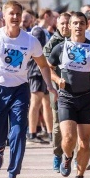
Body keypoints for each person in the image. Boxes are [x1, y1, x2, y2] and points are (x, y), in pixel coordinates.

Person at [0, 0, 57, 178]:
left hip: (20, 89)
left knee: (19, 132)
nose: (15, 17)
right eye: (11, 13)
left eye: (18, 13)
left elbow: (43, 65)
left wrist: (50, 86)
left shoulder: (30, 41)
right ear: (4, 16)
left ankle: (12, 177)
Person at [48, 11, 90, 178]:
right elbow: (48, 68)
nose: (78, 26)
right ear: (70, 26)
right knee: (68, 137)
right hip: (66, 98)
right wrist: (57, 80)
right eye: (75, 23)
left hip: (87, 99)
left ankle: (80, 176)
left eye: (81, 23)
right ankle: (67, 157)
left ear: (86, 25)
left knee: (84, 142)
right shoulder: (61, 47)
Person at [43, 12, 71, 172]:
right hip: (58, 89)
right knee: (58, 126)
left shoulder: (77, 40)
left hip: (77, 90)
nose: (65, 26)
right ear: (57, 25)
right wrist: (53, 84)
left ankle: (73, 157)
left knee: (76, 126)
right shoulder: (52, 43)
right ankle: (57, 154)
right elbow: (46, 67)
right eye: (62, 24)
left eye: (68, 23)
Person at [27, 8, 55, 144]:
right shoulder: (38, 31)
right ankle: (32, 133)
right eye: (53, 17)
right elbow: (38, 52)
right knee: (35, 102)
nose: (54, 20)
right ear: (46, 16)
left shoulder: (44, 31)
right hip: (36, 71)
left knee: (46, 103)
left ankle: (50, 133)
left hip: (44, 72)